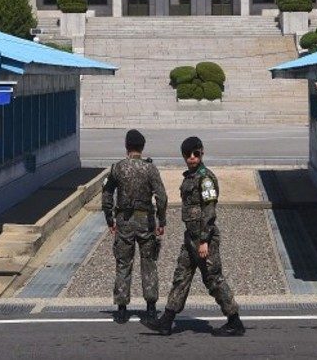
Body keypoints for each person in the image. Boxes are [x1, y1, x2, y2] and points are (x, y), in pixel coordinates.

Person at [141, 136, 244, 337]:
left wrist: (204, 240)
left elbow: (209, 210)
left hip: (204, 240)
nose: (191, 158)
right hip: (191, 238)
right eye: (187, 155)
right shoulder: (190, 177)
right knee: (181, 276)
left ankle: (234, 321)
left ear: (201, 153)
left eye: (195, 154)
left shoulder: (205, 179)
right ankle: (167, 320)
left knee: (213, 279)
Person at [101, 129, 168, 323]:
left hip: (124, 221)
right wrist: (161, 221)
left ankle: (122, 309)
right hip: (145, 221)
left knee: (123, 263)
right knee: (148, 263)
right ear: (142, 147)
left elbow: (106, 193)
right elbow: (161, 197)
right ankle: (150, 307)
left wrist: (109, 219)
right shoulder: (150, 169)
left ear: (126, 146)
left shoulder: (117, 168)